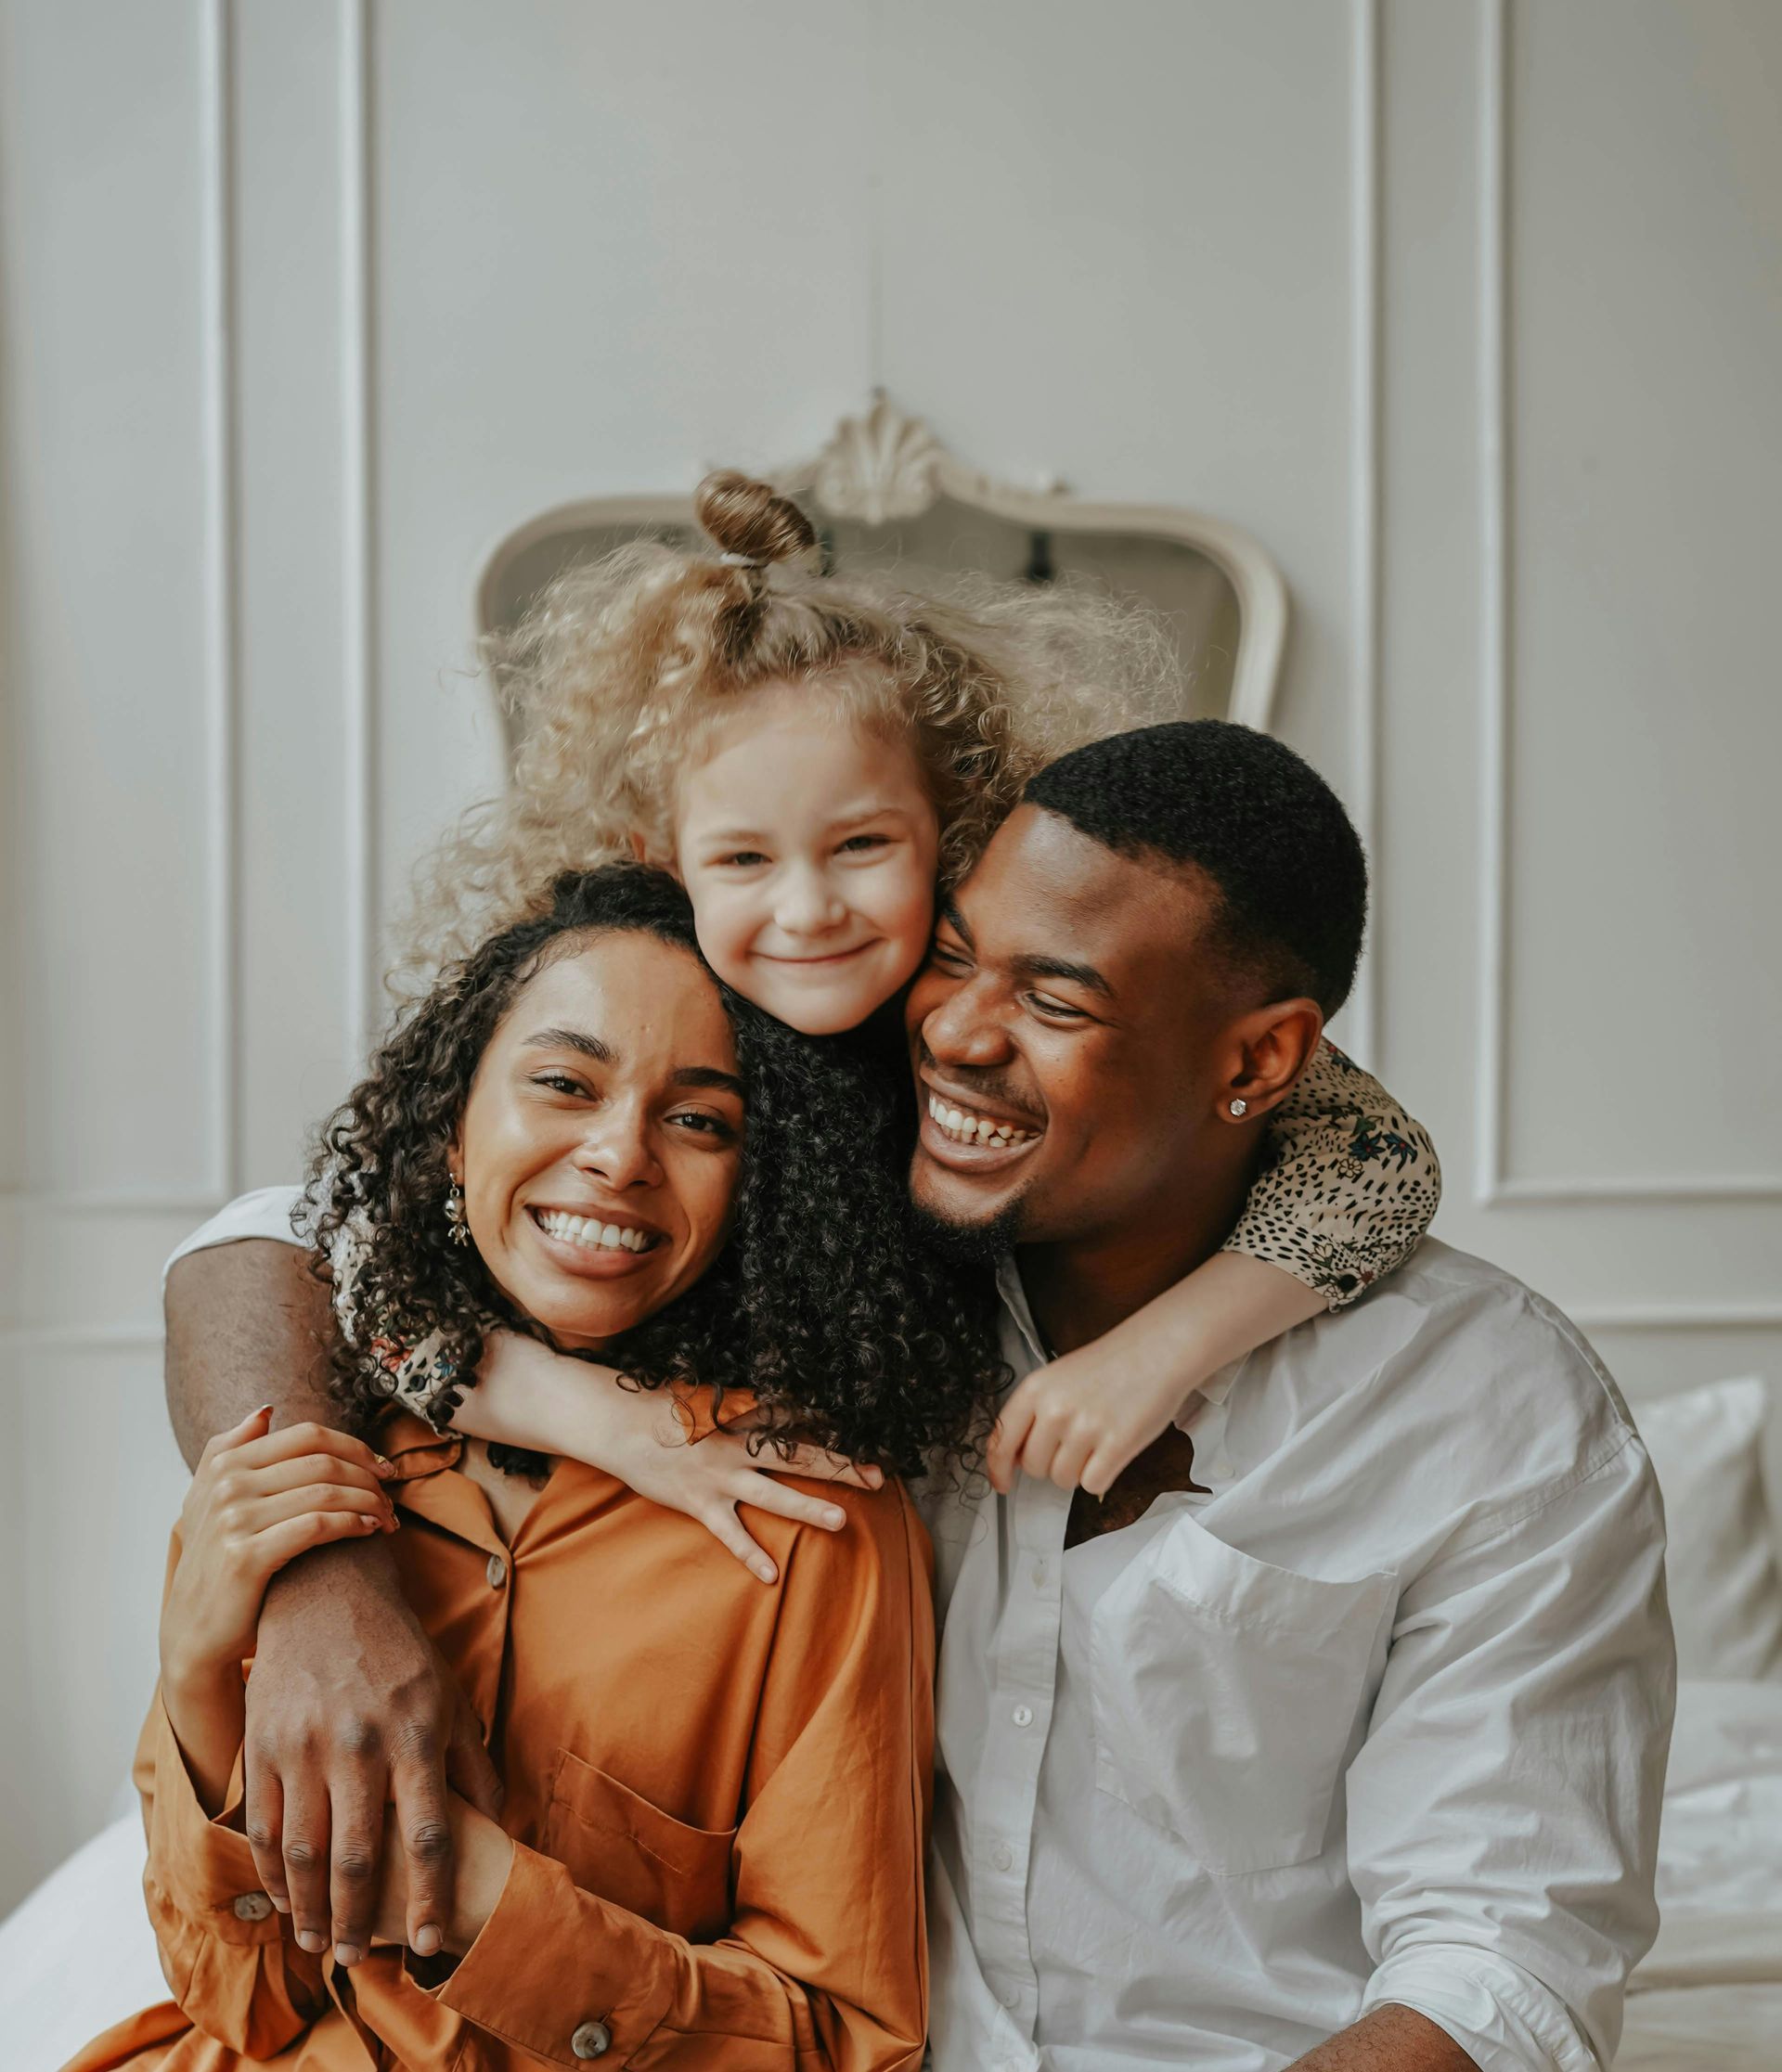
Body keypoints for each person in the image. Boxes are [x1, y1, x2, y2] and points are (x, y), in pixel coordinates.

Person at [168, 721, 1672, 2068]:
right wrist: (322, 1583)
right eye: (951, 953)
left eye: (1056, 998)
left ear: (1264, 1060)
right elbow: (286, 1234)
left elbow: (1504, 1967)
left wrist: (1178, 1339)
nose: (956, 1030)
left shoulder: (1491, 1407)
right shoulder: (856, 1245)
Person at [70, 864, 1005, 2072]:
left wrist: (482, 1898)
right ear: (456, 1130)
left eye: (700, 1118)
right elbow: (241, 2003)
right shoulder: (299, 1443)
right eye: (565, 1082)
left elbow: (842, 2042)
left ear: (756, 1189)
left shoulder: (806, 1522)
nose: (619, 1155)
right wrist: (203, 1698)